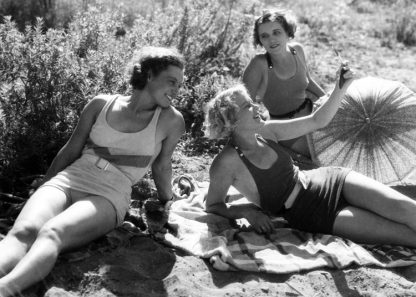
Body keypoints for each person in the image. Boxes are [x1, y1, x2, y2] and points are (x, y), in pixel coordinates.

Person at [0, 46, 186, 296]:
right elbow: (70, 151)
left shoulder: (171, 120)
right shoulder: (101, 104)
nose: (177, 90)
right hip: (71, 178)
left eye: (180, 84)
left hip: (110, 194)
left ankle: (6, 289)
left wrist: (169, 203)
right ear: (150, 74)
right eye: (172, 81)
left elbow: (162, 165)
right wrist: (43, 186)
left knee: (52, 232)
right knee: (23, 232)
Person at [203, 65, 416, 248]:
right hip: (311, 214)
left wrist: (340, 88)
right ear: (232, 120)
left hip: (331, 180)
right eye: (247, 106)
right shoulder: (225, 163)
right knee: (406, 236)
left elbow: (316, 121)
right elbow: (213, 205)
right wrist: (246, 211)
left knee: (409, 210)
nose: (256, 107)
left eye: (252, 102)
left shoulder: (267, 132)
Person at [242, 9, 326, 166]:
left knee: (352, 136)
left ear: (288, 33)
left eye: (276, 32)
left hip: (312, 114)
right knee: (324, 154)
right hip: (286, 130)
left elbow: (309, 82)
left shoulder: (297, 50)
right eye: (264, 36)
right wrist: (260, 133)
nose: (271, 40)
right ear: (259, 41)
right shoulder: (259, 64)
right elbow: (242, 105)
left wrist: (332, 102)